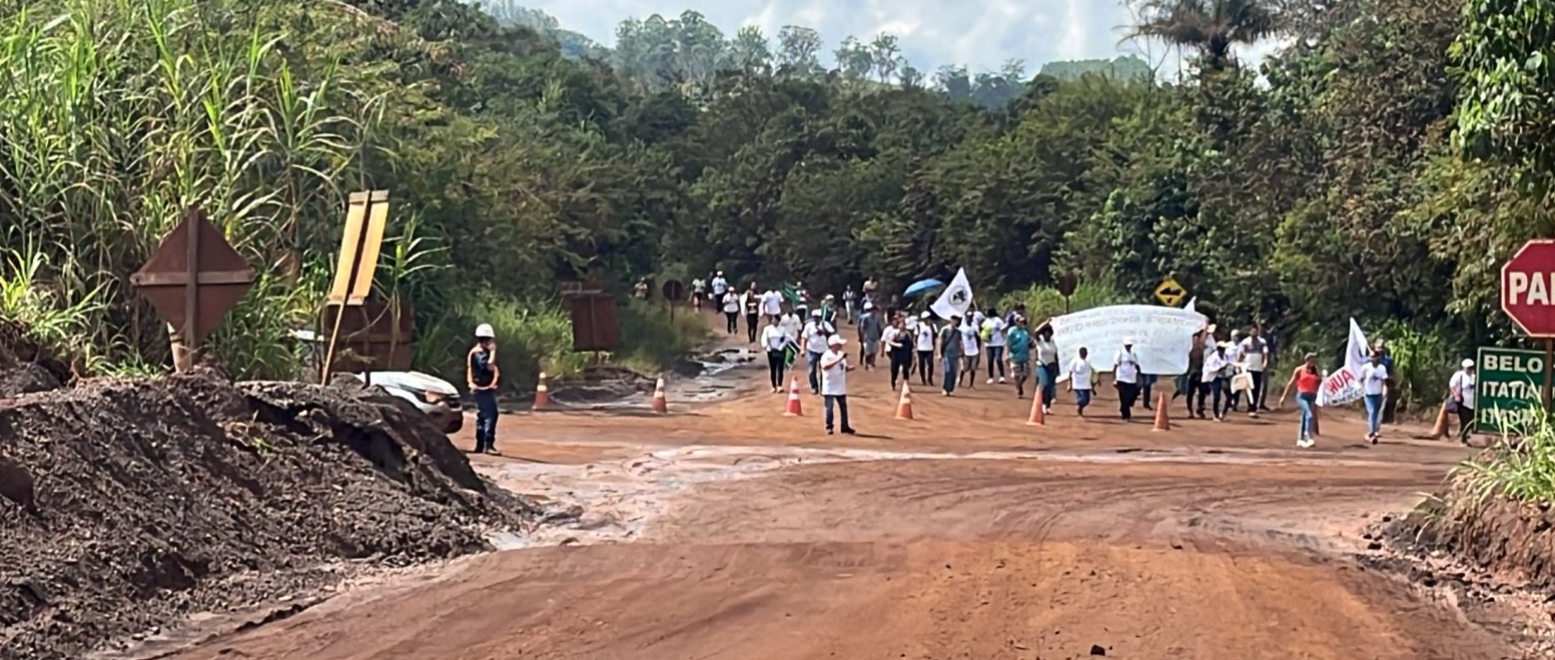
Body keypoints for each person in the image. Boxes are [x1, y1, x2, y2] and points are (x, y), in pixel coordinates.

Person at [467, 323, 501, 455]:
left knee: (482, 416)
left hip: (482, 388)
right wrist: (493, 352)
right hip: (482, 389)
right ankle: (488, 445)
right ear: (487, 340)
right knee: (491, 415)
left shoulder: (479, 352)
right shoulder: (479, 353)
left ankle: (480, 445)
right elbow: (488, 366)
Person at [1278, 352, 1322, 448]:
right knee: (1309, 415)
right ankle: (1309, 437)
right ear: (1307, 360)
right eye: (1311, 360)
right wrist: (1283, 397)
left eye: (1314, 360)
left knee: (1304, 416)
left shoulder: (1315, 371)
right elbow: (1291, 383)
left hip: (1312, 396)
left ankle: (1300, 439)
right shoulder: (1299, 370)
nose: (1313, 362)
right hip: (1302, 396)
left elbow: (1319, 383)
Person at [820, 335, 857, 435]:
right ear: (834, 345)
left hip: (840, 386)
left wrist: (849, 368)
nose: (841, 346)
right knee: (829, 407)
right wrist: (838, 360)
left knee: (843, 407)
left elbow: (842, 367)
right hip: (829, 386)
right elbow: (825, 367)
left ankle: (844, 426)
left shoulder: (841, 355)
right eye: (839, 344)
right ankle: (829, 427)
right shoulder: (826, 355)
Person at [1239, 326, 1270, 418]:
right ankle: (1250, 406)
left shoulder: (1262, 342)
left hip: (1258, 368)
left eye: (1255, 331)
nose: (1254, 333)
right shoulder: (1245, 342)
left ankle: (1254, 407)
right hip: (1248, 367)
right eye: (1252, 331)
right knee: (1249, 387)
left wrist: (1265, 363)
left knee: (1256, 388)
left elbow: (1265, 353)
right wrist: (1239, 364)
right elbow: (1241, 354)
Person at [1359, 350, 1388, 444]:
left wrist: (1385, 391)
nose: (1373, 359)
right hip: (1368, 394)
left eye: (1375, 357)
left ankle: (1372, 432)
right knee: (1372, 412)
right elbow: (1360, 379)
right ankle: (1372, 433)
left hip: (1378, 394)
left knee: (1376, 413)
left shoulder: (1382, 368)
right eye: (1372, 357)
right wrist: (1361, 388)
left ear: (1378, 358)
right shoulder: (1365, 368)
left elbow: (1384, 381)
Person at [802, 310, 834, 394]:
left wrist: (823, 331)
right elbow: (804, 337)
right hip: (812, 350)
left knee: (823, 370)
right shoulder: (809, 326)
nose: (816, 319)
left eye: (818, 317)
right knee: (812, 370)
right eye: (815, 317)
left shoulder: (825, 324)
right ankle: (814, 387)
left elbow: (832, 333)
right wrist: (803, 349)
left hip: (824, 351)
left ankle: (823, 388)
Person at [1114, 337, 1143, 421]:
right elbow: (1115, 365)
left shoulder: (1133, 354)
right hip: (1121, 378)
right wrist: (1114, 378)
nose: (1128, 347)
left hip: (1131, 378)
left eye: (1130, 345)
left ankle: (1123, 408)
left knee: (1131, 395)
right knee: (1123, 397)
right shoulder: (1120, 353)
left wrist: (1140, 375)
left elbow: (1137, 365)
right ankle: (1126, 415)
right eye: (1127, 345)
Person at [1201, 342, 1231, 421]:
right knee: (1216, 396)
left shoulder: (1226, 356)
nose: (1223, 351)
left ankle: (1223, 413)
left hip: (1223, 376)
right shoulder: (1212, 358)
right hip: (1214, 377)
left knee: (1229, 395)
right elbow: (1212, 369)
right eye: (1221, 349)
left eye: (1224, 349)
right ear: (1218, 349)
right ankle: (1216, 415)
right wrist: (1222, 367)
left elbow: (1231, 363)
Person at [1179, 328, 1206, 418]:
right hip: (1192, 373)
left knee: (1202, 393)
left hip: (1201, 373)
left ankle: (1200, 409)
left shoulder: (1203, 350)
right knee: (1190, 393)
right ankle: (1190, 410)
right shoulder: (1188, 350)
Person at [1451, 359, 1477, 445]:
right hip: (1463, 402)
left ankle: (1464, 435)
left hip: (1473, 402)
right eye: (1468, 368)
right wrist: (1456, 395)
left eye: (1471, 368)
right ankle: (1463, 439)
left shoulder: (1474, 376)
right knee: (1464, 421)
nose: (1470, 369)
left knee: (1471, 420)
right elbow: (1452, 386)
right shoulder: (1459, 375)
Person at [760, 316, 789, 393]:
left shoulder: (783, 329)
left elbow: (786, 339)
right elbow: (764, 339)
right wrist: (767, 346)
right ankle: (773, 386)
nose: (774, 321)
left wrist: (781, 347)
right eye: (773, 320)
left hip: (781, 350)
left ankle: (780, 385)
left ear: (778, 321)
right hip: (771, 350)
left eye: (775, 320)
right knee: (773, 368)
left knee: (780, 368)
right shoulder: (767, 329)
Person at [1006, 316, 1033, 399]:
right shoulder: (1012, 331)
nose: (1022, 323)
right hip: (1015, 355)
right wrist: (1007, 354)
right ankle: (1019, 389)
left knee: (1026, 373)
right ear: (1016, 322)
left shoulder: (1025, 332)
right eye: (1020, 322)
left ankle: (1020, 384)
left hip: (1025, 355)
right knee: (1016, 374)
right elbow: (1008, 343)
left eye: (1022, 322)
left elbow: (1029, 341)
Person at [1035, 325, 1059, 413]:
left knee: (1050, 386)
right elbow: (1036, 331)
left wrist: (1058, 368)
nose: (1047, 335)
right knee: (1044, 384)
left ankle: (1047, 406)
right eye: (1045, 333)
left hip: (1052, 366)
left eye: (1049, 333)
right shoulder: (1040, 341)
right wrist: (1046, 323)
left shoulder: (1053, 343)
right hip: (1042, 365)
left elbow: (1056, 356)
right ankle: (1043, 403)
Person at [884, 315, 912, 391]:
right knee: (894, 370)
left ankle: (906, 385)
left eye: (904, 324)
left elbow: (911, 344)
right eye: (901, 324)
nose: (902, 325)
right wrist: (897, 345)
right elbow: (889, 341)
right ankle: (893, 383)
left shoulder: (908, 334)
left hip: (905, 354)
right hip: (896, 354)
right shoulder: (896, 333)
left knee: (905, 370)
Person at [939, 313, 964, 396]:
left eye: (956, 320)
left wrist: (962, 351)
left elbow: (960, 342)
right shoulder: (945, 330)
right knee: (947, 371)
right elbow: (941, 341)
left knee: (954, 372)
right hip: (947, 353)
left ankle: (951, 389)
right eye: (953, 320)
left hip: (955, 354)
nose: (954, 322)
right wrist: (939, 353)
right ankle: (945, 388)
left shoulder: (958, 332)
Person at [983, 308, 1007, 384]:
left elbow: (1003, 329)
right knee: (990, 360)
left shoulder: (998, 320)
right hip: (989, 344)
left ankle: (1002, 376)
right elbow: (983, 328)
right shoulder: (986, 320)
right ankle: (991, 377)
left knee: (998, 359)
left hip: (998, 343)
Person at [1068, 346, 1094, 417]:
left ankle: (1080, 407)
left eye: (1085, 354)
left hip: (1086, 383)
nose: (1084, 355)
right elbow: (1070, 372)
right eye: (1083, 354)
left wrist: (1093, 386)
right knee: (1083, 399)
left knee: (1087, 400)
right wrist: (1069, 384)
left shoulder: (1088, 361)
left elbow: (1091, 372)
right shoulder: (1075, 361)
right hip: (1078, 383)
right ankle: (1080, 407)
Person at [858, 302, 884, 371]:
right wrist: (862, 337)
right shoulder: (866, 318)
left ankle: (872, 362)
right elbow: (862, 327)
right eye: (873, 310)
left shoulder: (877, 318)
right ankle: (867, 363)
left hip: (875, 336)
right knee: (867, 352)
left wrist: (880, 335)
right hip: (867, 337)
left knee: (874, 351)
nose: (874, 311)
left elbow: (879, 327)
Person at [1224, 329, 1243, 412]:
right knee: (1227, 387)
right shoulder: (1227, 345)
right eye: (1234, 336)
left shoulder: (1241, 345)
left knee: (1237, 387)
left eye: (1237, 336)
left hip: (1238, 368)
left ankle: (1235, 403)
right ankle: (1230, 399)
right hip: (1228, 368)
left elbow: (1241, 356)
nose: (1236, 338)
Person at [916, 312, 937, 386]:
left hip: (929, 348)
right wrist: (915, 345)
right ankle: (923, 379)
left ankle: (929, 379)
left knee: (930, 364)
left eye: (929, 317)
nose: (928, 319)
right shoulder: (919, 326)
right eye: (927, 318)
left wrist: (934, 345)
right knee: (921, 365)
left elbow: (935, 336)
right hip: (921, 348)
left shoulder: (933, 326)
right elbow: (916, 336)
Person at [959, 316, 981, 389]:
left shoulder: (975, 327)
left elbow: (978, 338)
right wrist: (961, 350)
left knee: (973, 368)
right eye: (968, 318)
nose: (969, 319)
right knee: (965, 368)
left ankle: (971, 384)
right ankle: (960, 381)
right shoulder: (962, 328)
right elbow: (959, 339)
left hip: (974, 351)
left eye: (971, 318)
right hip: (966, 351)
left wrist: (978, 348)